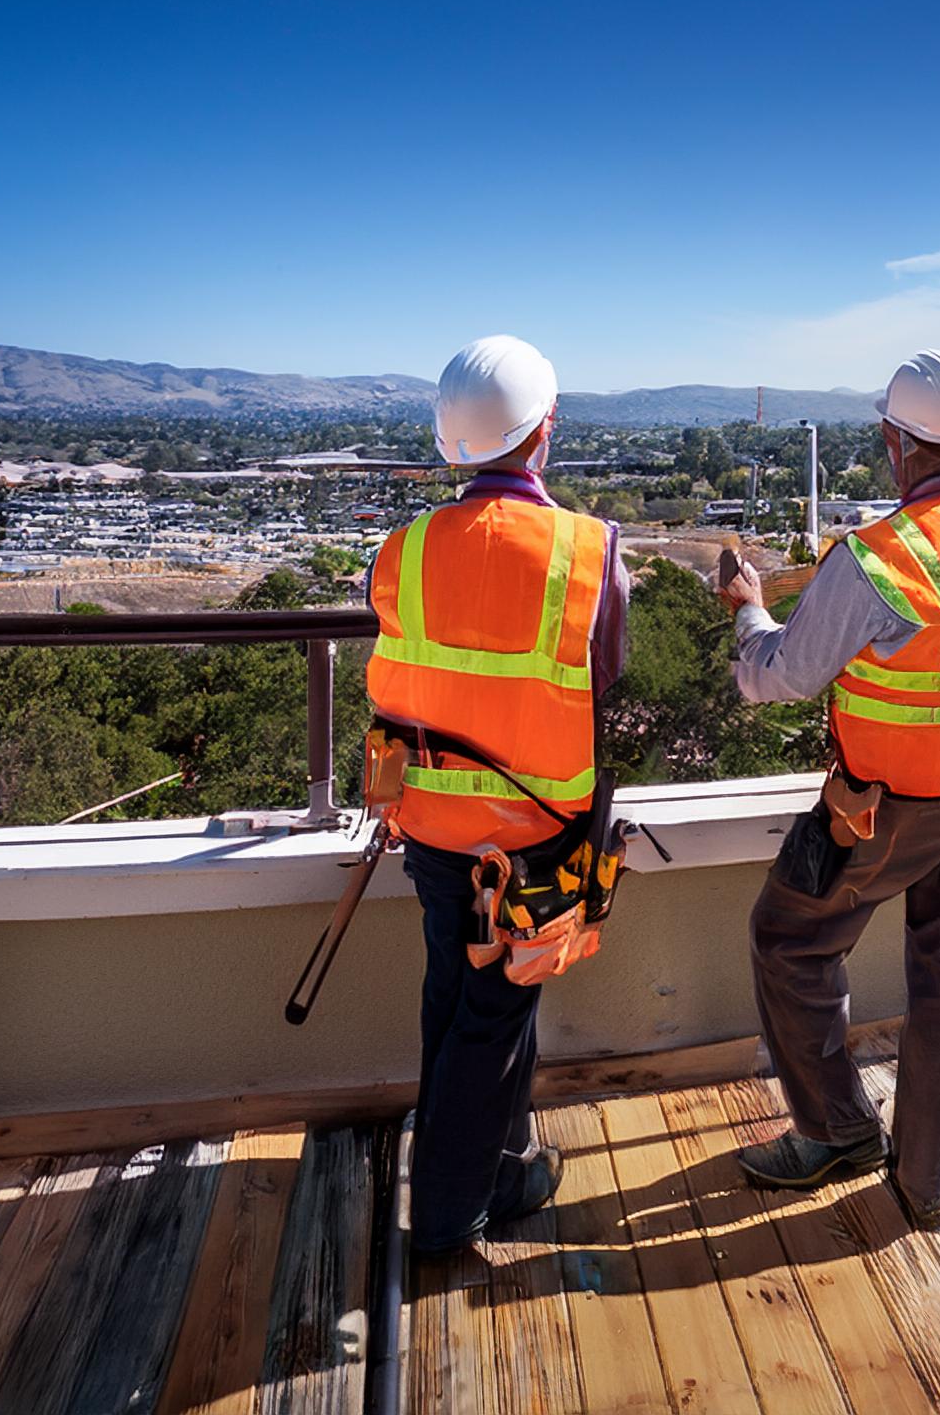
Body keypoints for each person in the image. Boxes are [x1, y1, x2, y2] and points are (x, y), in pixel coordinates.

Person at [719, 349, 940, 1230]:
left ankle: (838, 1131)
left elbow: (778, 678)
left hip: (890, 806)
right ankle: (922, 1182)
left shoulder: (876, 559)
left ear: (893, 442)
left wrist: (748, 607)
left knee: (789, 939)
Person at [367, 334, 634, 1253]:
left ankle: (502, 1162)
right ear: (544, 433)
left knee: (457, 990)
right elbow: (606, 676)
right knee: (497, 1012)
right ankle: (448, 1215)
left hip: (434, 829)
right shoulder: (588, 553)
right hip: (536, 838)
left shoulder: (399, 553)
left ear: (452, 446)